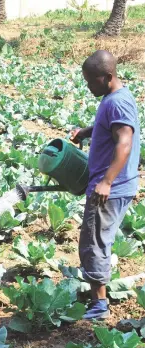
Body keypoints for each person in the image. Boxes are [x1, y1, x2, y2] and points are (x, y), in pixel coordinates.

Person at [70, 50, 140, 320]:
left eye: (91, 81)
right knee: (99, 239)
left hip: (110, 189)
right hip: (117, 185)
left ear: (108, 77)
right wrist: (89, 131)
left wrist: (106, 181)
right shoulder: (115, 97)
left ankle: (99, 305)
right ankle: (98, 295)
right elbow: (113, 129)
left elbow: (124, 142)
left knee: (93, 241)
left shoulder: (116, 103)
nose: (88, 87)